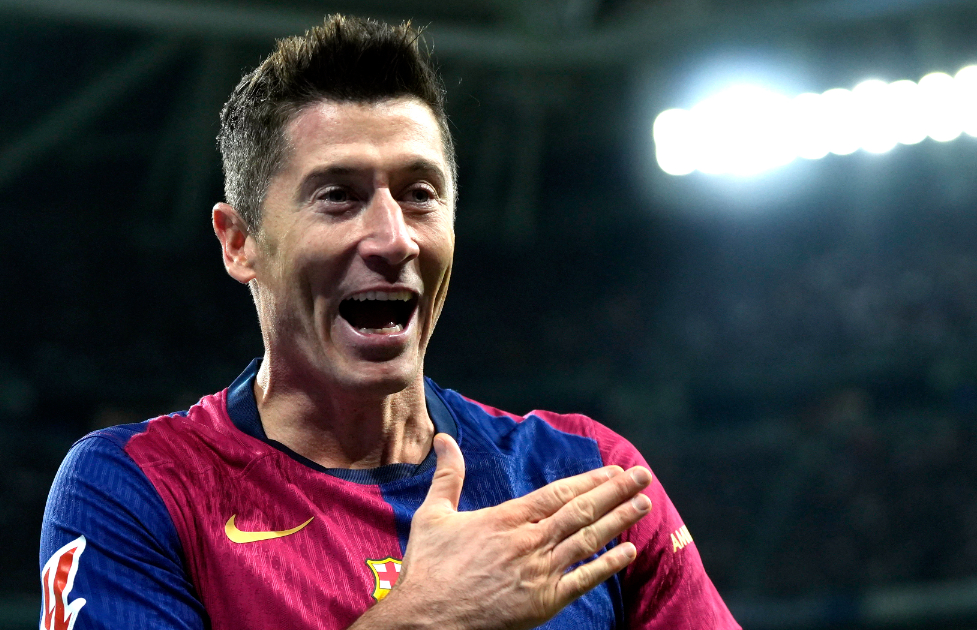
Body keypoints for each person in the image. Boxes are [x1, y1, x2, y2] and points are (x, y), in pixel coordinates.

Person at [39, 14, 739, 630]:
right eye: (338, 196)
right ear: (240, 242)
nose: (394, 238)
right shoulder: (139, 488)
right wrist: (426, 618)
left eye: (420, 194)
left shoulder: (586, 479)